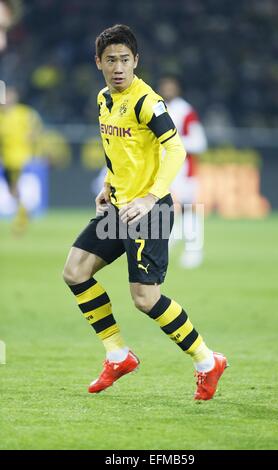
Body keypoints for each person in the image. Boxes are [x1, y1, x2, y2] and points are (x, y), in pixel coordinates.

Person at [63, 24, 228, 401]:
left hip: (148, 211)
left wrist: (152, 197)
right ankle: (118, 355)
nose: (118, 67)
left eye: (124, 60)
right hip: (119, 206)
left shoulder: (147, 102)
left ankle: (207, 361)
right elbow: (115, 150)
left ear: (136, 61)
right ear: (98, 63)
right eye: (110, 60)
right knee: (74, 271)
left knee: (145, 299)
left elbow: (177, 151)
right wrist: (108, 183)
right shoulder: (104, 98)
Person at [158, 75, 208, 268]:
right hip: (164, 169)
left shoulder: (185, 110)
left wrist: (172, 144)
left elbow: (199, 142)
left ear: (178, 88)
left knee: (188, 210)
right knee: (163, 208)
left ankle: (194, 250)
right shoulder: (156, 106)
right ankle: (167, 244)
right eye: (165, 85)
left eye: (171, 86)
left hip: (184, 170)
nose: (167, 89)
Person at [0, 86, 43, 233]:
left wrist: (32, 137)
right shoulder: (1, 116)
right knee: (13, 189)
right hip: (7, 159)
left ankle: (21, 218)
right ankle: (24, 212)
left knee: (14, 187)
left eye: (9, 97)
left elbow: (36, 127)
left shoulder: (24, 113)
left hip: (20, 158)